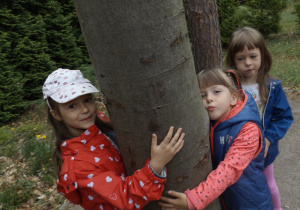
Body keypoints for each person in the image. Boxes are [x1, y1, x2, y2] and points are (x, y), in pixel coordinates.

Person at [42, 68, 185, 210]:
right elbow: (124, 199)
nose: (85, 109)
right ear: (56, 114)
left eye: (87, 100)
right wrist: (156, 165)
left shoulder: (99, 123)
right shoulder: (78, 166)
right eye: (72, 106)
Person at [159, 69, 273, 209]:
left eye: (216, 91)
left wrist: (195, 200)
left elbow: (229, 170)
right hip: (227, 201)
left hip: (250, 203)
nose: (209, 98)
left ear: (233, 98)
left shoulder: (248, 129)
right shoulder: (212, 122)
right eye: (202, 95)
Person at [226, 26, 294, 210]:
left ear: (262, 55)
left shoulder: (272, 87)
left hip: (262, 150)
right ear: (233, 60)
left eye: (253, 56)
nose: (248, 63)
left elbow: (284, 117)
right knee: (238, 185)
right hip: (236, 147)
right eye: (241, 58)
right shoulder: (230, 88)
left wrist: (269, 139)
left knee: (267, 183)